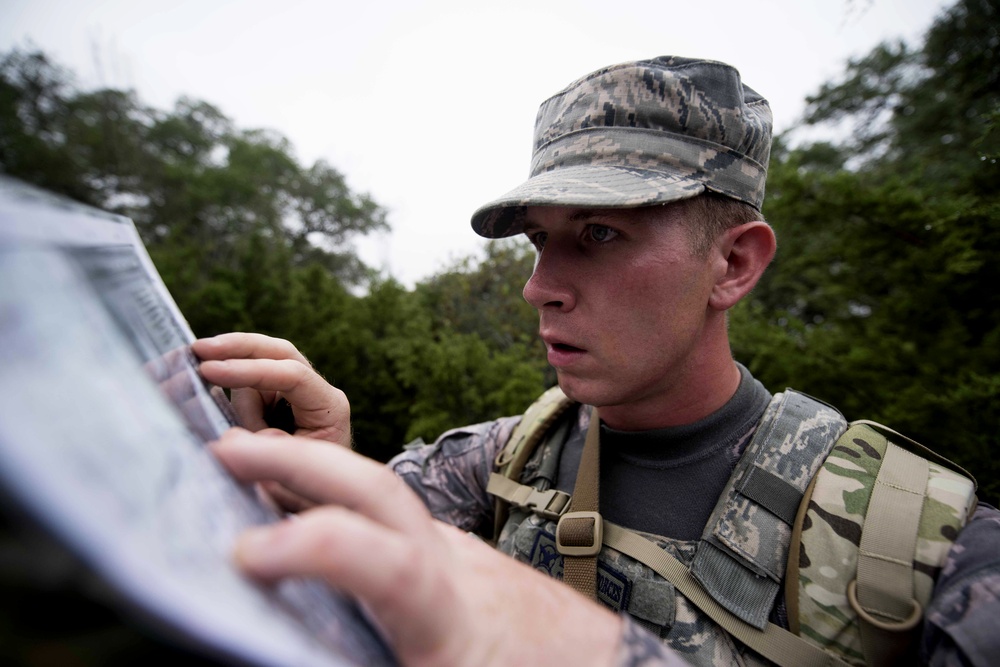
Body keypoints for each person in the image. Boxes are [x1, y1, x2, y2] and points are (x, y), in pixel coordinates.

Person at [194, 56, 1000, 666]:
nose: (538, 287)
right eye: (543, 239)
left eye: (601, 234)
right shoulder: (506, 462)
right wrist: (322, 477)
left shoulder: (919, 538)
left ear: (734, 264)